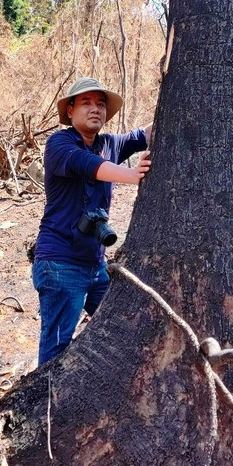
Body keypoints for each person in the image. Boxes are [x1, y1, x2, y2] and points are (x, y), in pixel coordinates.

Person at [32, 77, 153, 366]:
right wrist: (131, 174)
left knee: (118, 329)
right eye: (86, 103)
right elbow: (85, 164)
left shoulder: (109, 143)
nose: (95, 108)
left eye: (100, 104)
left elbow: (143, 134)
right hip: (60, 263)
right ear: (70, 111)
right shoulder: (59, 144)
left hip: (96, 266)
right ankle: (46, 407)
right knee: (56, 348)